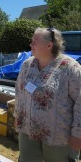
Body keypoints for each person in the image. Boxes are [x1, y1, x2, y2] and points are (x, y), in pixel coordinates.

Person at [14, 28, 81, 162]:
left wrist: (78, 133)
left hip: (58, 136)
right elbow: (19, 93)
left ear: (49, 45)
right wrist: (17, 116)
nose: (31, 44)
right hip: (28, 131)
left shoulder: (70, 68)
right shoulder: (27, 65)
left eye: (35, 41)